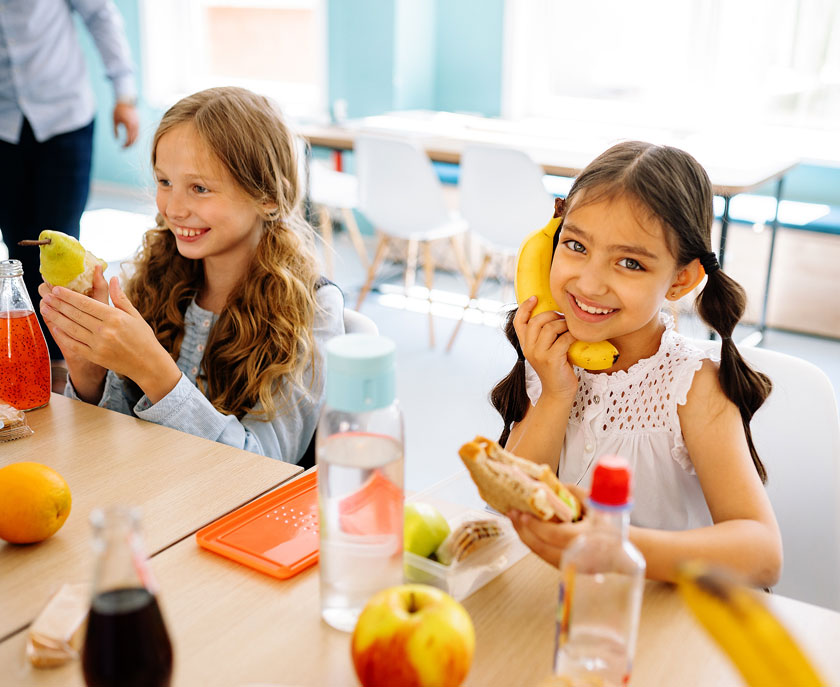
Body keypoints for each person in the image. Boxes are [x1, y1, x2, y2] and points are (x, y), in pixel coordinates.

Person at [491, 141, 782, 587]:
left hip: (649, 618)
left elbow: (763, 554)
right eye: (575, 245)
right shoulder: (552, 357)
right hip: (550, 604)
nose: (589, 282)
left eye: (629, 263)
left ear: (680, 279)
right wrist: (555, 394)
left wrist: (612, 545)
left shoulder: (692, 385)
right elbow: (511, 505)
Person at [38, 87, 344, 464]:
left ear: (267, 196)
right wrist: (89, 372)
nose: (174, 208)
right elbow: (115, 443)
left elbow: (264, 466)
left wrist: (154, 370)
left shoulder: (315, 310)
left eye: (199, 188)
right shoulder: (156, 274)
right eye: (165, 182)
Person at [0, 0, 140, 362]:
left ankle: (71, 355)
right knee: (18, 245)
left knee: (61, 243)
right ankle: (29, 352)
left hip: (65, 116)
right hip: (4, 123)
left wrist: (124, 94)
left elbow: (100, 16)